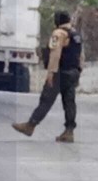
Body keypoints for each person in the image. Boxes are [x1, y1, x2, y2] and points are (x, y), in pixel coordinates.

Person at [12, 10, 83, 142]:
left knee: (46, 100)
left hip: (59, 73)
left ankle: (30, 125)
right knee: (69, 102)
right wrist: (79, 72)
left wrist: (51, 73)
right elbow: (80, 56)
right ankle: (69, 131)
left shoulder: (58, 34)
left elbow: (55, 54)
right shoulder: (76, 35)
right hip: (73, 72)